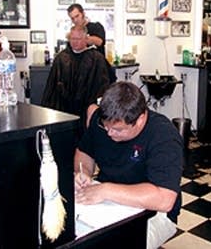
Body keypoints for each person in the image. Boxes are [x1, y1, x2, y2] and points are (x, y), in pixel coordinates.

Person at [74, 81, 183, 246]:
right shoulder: (103, 120)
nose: (109, 133)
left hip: (154, 212)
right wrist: (83, 172)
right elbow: (84, 152)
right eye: (106, 127)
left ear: (139, 120)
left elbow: (164, 199)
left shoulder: (163, 135)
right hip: (107, 200)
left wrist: (106, 190)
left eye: (118, 130)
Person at [41, 25, 110, 138]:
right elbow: (51, 87)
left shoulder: (96, 59)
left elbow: (102, 86)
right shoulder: (61, 58)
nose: (75, 42)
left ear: (86, 39)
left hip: (86, 108)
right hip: (64, 109)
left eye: (78, 39)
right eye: (72, 39)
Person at [67, 3, 116, 82]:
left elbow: (100, 41)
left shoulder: (96, 27)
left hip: (98, 71)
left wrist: (81, 37)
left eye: (77, 16)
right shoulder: (72, 33)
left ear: (83, 13)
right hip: (82, 74)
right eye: (72, 18)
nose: (75, 20)